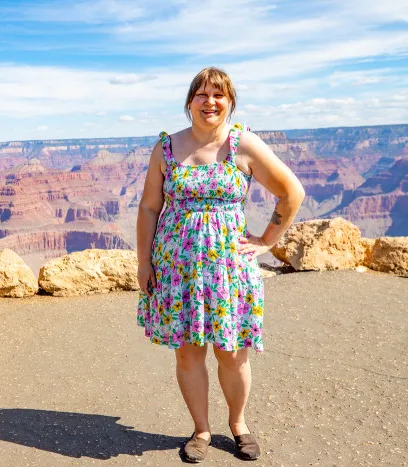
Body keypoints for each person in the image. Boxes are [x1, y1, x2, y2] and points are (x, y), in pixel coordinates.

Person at [136, 66, 305, 463]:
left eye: (219, 95)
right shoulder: (165, 148)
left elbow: (291, 192)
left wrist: (266, 241)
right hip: (176, 270)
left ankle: (239, 424)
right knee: (188, 352)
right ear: (189, 102)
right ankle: (201, 430)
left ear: (229, 102)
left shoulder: (243, 144)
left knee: (233, 352)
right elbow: (148, 207)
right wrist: (143, 262)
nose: (210, 102)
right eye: (202, 94)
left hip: (230, 270)